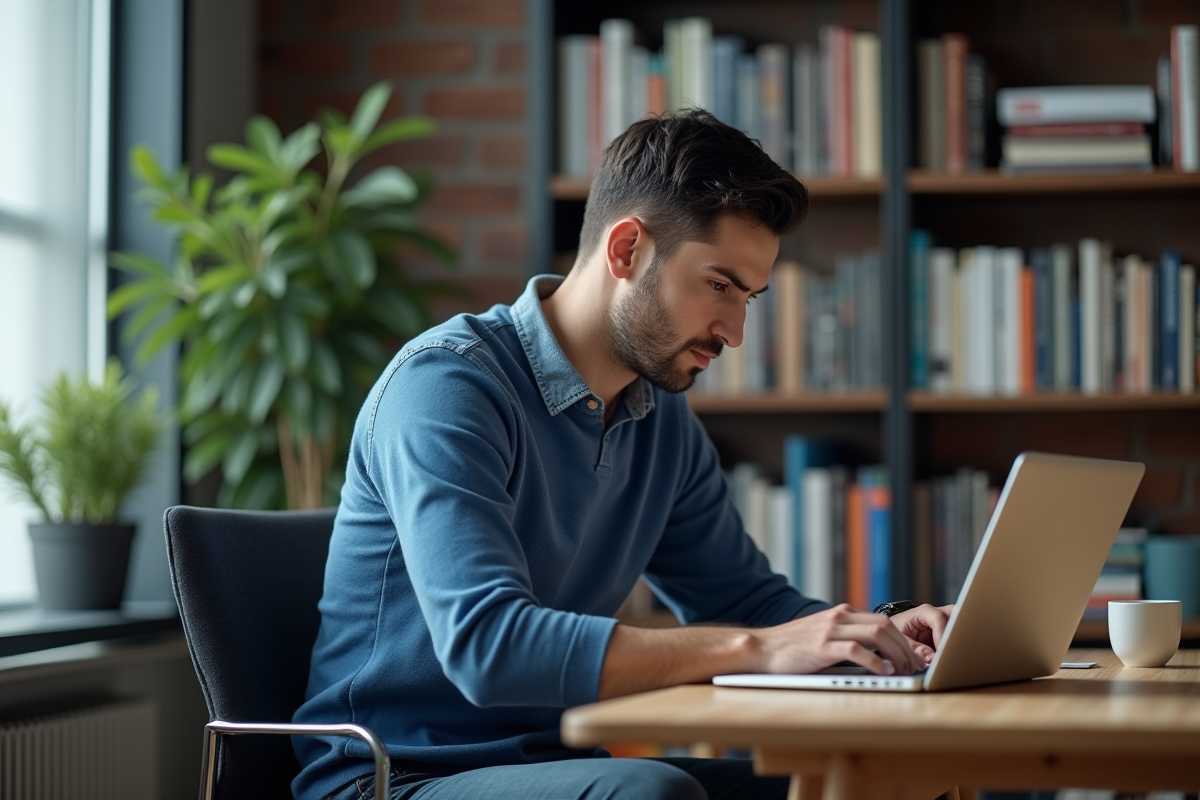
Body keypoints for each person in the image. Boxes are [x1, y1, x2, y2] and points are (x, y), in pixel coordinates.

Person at [294, 109, 952, 800]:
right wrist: (760, 649)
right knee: (651, 795)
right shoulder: (445, 388)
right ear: (627, 249)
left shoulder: (660, 418)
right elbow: (487, 648)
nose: (734, 331)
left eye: (750, 296)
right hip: (389, 777)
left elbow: (744, 602)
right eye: (720, 285)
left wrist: (880, 638)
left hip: (544, 770)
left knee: (896, 782)